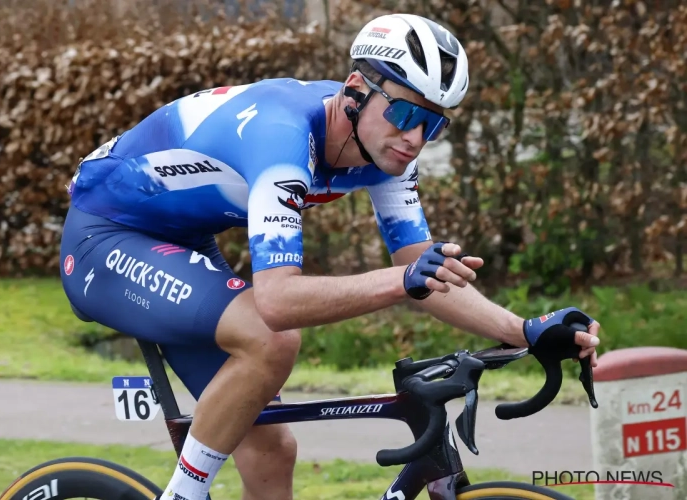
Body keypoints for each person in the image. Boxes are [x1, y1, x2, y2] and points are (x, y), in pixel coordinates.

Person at [59, 12, 601, 500]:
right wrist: (401, 280)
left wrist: (523, 329)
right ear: (355, 91)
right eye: (407, 112)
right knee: (270, 338)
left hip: (183, 237)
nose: (414, 138)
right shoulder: (283, 140)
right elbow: (278, 302)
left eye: (432, 124)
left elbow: (422, 266)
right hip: (105, 239)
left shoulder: (383, 148)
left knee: (270, 451)